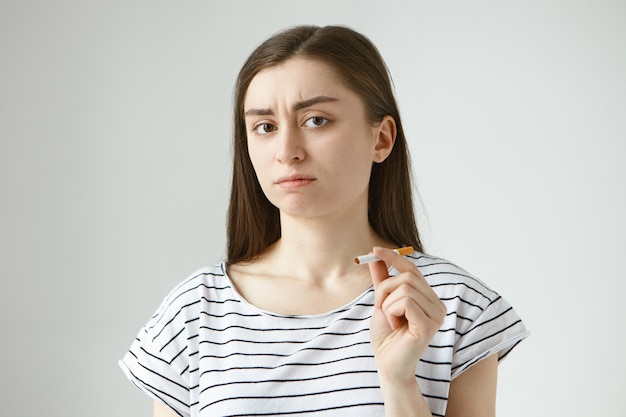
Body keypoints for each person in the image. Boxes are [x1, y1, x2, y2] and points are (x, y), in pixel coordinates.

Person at [119, 25, 528, 417]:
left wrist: (399, 382)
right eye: (264, 127)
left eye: (316, 120)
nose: (287, 150)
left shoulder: (455, 307)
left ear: (381, 139)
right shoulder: (194, 313)